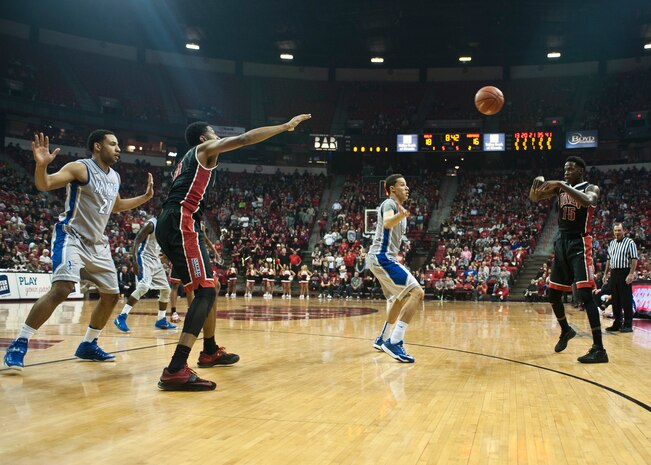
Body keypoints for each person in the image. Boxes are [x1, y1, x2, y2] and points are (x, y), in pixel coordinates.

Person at [155, 114, 311, 391]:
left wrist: (202, 237)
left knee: (209, 287)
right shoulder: (203, 150)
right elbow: (243, 139)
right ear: (204, 138)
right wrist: (284, 127)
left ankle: (210, 350)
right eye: (214, 132)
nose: (217, 136)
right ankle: (176, 368)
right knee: (204, 291)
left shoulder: (186, 163)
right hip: (181, 221)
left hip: (178, 221)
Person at [4, 130, 153, 370]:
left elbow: (115, 207)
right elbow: (44, 184)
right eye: (113, 144)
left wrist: (144, 198)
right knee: (62, 289)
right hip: (71, 237)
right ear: (97, 146)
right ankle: (20, 342)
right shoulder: (80, 168)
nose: (118, 149)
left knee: (112, 295)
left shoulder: (114, 176)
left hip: (98, 244)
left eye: (118, 145)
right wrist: (41, 166)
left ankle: (88, 344)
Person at [530, 156, 607, 363]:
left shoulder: (592, 187)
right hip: (562, 242)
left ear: (581, 171)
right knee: (553, 294)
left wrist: (561, 185)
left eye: (570, 169)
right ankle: (565, 330)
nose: (566, 172)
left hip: (580, 243)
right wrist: (535, 184)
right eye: (564, 169)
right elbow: (535, 198)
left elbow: (588, 201)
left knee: (585, 294)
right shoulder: (560, 188)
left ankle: (599, 348)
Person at [367, 174, 424, 363]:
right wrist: (400, 215)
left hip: (381, 258)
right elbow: (387, 223)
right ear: (392, 188)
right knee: (417, 293)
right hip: (382, 258)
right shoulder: (389, 204)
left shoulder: (399, 208)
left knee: (399, 298)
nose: (407, 188)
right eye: (402, 185)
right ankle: (395, 340)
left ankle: (382, 339)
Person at [113, 211, 177, 333]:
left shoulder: (166, 228)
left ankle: (161, 320)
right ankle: (121, 317)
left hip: (156, 260)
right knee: (143, 287)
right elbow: (136, 241)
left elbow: (162, 246)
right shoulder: (151, 224)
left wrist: (165, 256)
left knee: (166, 289)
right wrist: (134, 262)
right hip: (144, 258)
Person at [602, 222, 638, 332]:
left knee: (626, 299)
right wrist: (605, 274)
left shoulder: (630, 242)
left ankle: (628, 324)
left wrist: (631, 273)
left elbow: (634, 259)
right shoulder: (611, 243)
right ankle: (617, 323)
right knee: (616, 299)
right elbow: (609, 260)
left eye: (619, 230)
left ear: (624, 231)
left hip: (625, 272)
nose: (617, 232)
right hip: (614, 272)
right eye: (615, 230)